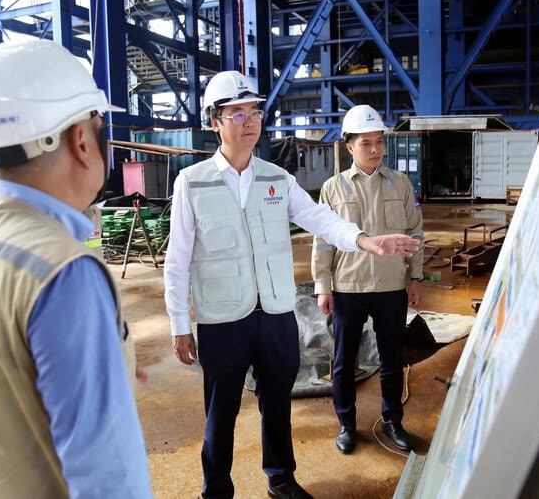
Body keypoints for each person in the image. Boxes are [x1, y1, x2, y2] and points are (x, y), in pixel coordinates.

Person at [163, 71, 419, 499]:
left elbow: (321, 219)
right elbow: (177, 261)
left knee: (278, 406)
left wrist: (364, 241)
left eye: (255, 111)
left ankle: (280, 479)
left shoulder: (276, 179)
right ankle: (216, 489)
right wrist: (178, 322)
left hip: (277, 315)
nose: (250, 120)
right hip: (223, 319)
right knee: (220, 412)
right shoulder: (193, 182)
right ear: (215, 121)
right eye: (237, 112)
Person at [0, 40, 152, 498]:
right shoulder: (63, 271)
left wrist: (107, 363)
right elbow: (108, 476)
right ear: (81, 141)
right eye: (97, 125)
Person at [311, 104, 425, 455]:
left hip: (391, 288)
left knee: (391, 359)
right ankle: (347, 424)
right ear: (349, 146)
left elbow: (415, 231)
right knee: (345, 362)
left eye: (379, 142)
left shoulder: (401, 183)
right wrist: (322, 286)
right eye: (366, 143)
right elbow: (323, 240)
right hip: (348, 289)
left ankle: (392, 420)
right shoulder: (333, 188)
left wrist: (415, 277)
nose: (376, 150)